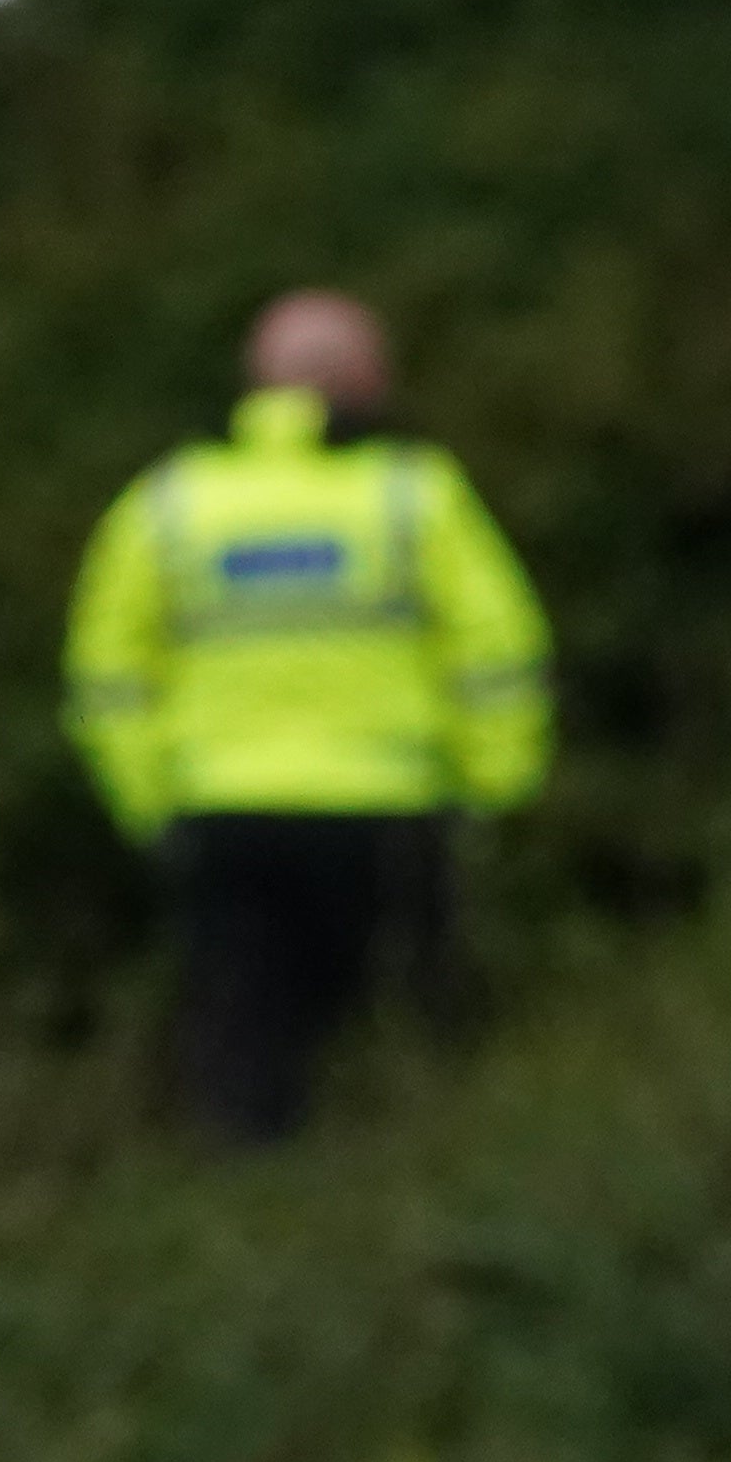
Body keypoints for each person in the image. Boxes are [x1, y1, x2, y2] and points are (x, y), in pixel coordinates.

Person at [64, 291, 554, 1142]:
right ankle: (418, 1224)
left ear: (259, 385)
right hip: (391, 812)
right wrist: (495, 787)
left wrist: (148, 804)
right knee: (410, 1049)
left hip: (224, 818)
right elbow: (501, 655)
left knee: (244, 1055)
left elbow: (105, 677)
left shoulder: (170, 506)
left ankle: (250, 1233)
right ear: (364, 379)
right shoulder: (416, 498)